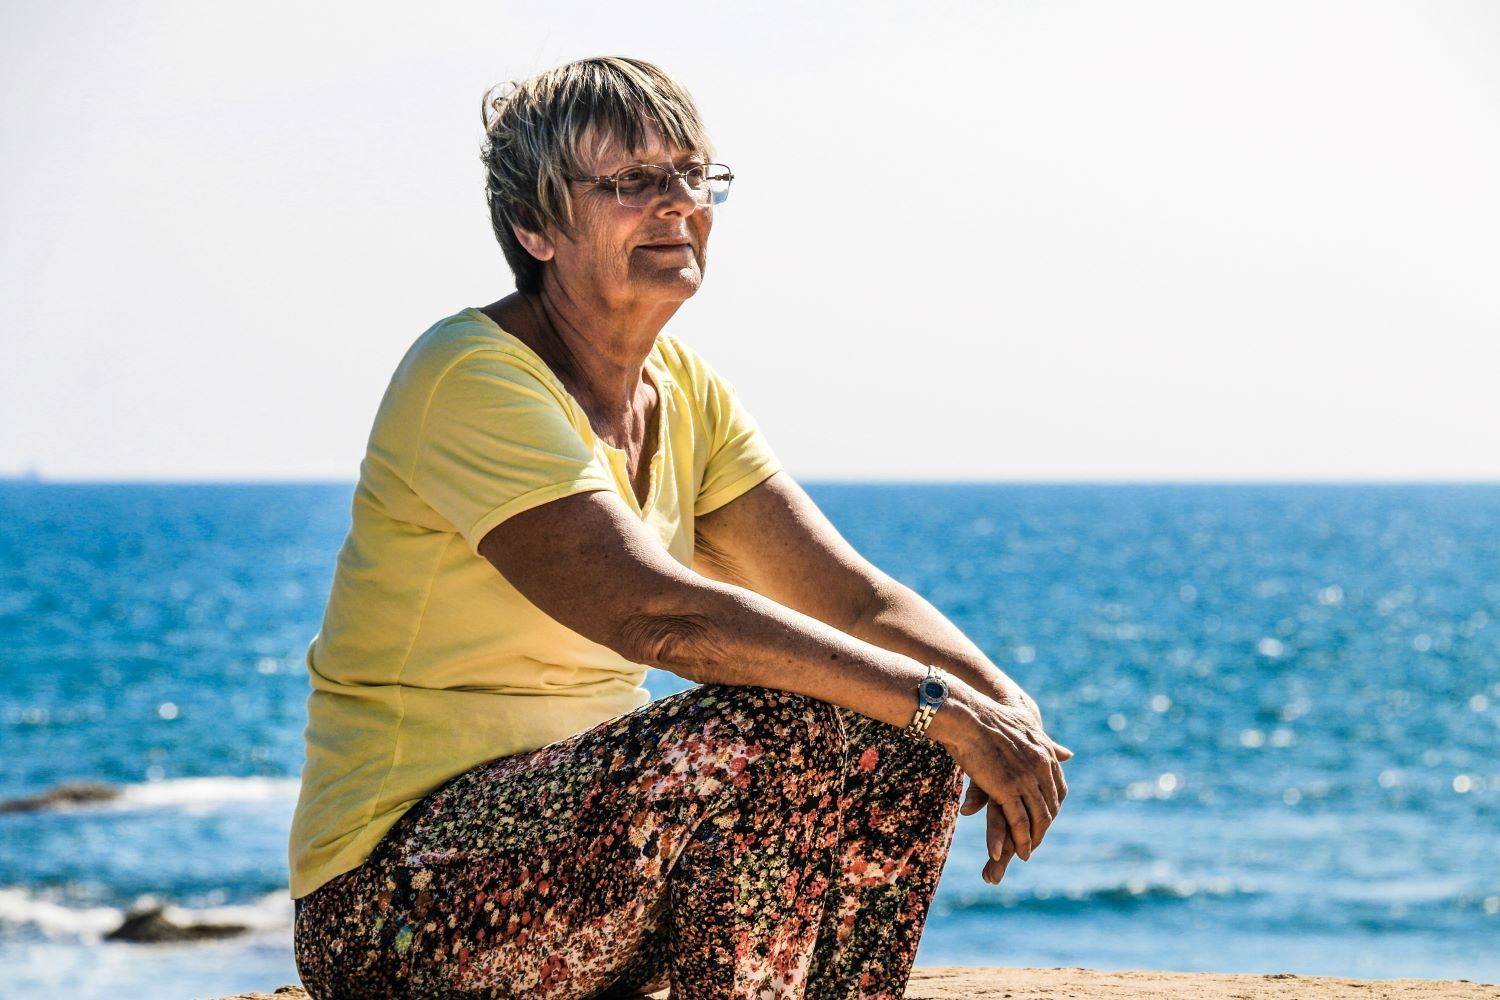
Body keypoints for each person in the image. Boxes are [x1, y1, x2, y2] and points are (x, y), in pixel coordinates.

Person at [289, 55, 1072, 1000]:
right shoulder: (471, 376)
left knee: (906, 729)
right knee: (795, 714)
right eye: (629, 182)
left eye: (689, 176)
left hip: (584, 868)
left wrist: (999, 713)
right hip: (391, 904)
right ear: (534, 227)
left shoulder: (686, 392)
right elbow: (663, 619)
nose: (675, 204)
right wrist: (944, 706)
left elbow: (854, 600)